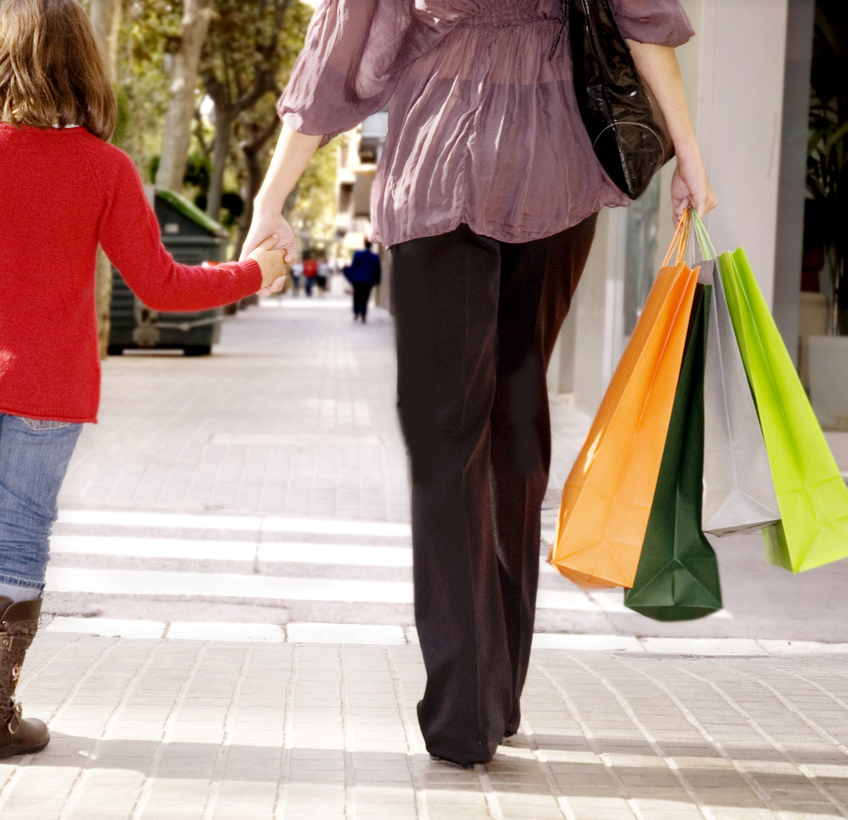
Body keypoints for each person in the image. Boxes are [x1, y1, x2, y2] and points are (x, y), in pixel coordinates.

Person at [241, 0, 716, 767]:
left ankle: (467, 710)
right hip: (558, 166)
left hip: (441, 170)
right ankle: (499, 688)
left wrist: (272, 198)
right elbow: (643, 20)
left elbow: (339, 53)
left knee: (446, 440)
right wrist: (689, 153)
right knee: (515, 421)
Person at [0, 0, 287, 763]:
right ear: (83, 67)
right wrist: (254, 271)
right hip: (53, 390)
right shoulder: (106, 167)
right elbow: (162, 286)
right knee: (21, 529)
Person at [345, 240, 381, 323]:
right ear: (371, 246)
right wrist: (377, 280)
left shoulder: (358, 254)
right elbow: (377, 270)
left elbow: (353, 267)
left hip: (357, 280)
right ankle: (363, 315)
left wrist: (350, 277)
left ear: (364, 245)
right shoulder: (374, 257)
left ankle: (356, 312)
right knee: (365, 298)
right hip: (368, 281)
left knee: (357, 297)